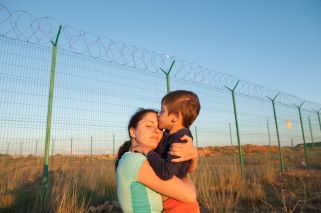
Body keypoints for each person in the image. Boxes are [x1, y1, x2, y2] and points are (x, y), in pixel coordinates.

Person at [115, 108, 198, 213]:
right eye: (149, 125)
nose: (156, 131)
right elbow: (189, 195)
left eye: (160, 128)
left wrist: (193, 156)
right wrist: (182, 161)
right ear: (133, 132)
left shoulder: (137, 159)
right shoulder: (135, 160)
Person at [132, 90, 201, 212]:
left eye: (162, 111)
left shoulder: (180, 140)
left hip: (180, 206)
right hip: (174, 199)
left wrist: (147, 151)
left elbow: (166, 172)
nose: (158, 114)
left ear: (174, 117)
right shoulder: (169, 135)